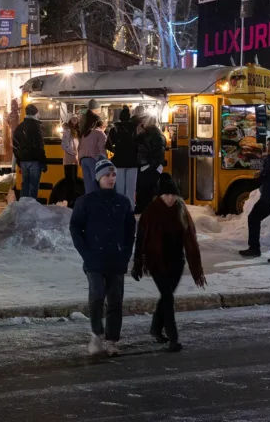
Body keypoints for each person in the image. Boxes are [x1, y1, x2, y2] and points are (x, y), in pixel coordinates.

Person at [132, 174, 206, 352]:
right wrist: (137, 263)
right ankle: (174, 338)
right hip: (156, 261)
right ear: (160, 195)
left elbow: (190, 238)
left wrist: (193, 261)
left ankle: (155, 329)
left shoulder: (181, 210)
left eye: (173, 195)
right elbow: (140, 239)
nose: (171, 198)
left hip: (176, 262)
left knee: (166, 297)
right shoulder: (150, 212)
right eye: (167, 195)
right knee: (168, 297)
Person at [69, 157, 136, 357]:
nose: (111, 178)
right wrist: (86, 252)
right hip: (95, 261)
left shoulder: (123, 202)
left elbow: (129, 230)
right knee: (97, 296)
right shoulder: (86, 202)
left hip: (116, 260)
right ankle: (96, 334)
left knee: (115, 301)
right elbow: (75, 228)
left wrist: (125, 253)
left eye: (114, 174)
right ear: (99, 177)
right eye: (107, 175)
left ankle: (112, 340)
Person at [13, 104, 47, 199]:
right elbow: (40, 145)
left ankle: (23, 205)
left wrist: (18, 159)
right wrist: (43, 161)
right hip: (35, 161)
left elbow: (15, 145)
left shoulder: (19, 127)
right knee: (33, 185)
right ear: (35, 113)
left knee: (25, 184)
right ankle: (31, 206)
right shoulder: (36, 127)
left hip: (23, 161)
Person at [107, 106, 139, 207]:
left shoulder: (114, 129)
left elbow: (108, 144)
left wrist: (115, 151)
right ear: (129, 117)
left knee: (120, 187)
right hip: (133, 161)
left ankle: (120, 206)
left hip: (119, 161)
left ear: (120, 118)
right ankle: (130, 207)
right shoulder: (135, 129)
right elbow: (140, 143)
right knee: (131, 187)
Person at [135, 116, 167, 212]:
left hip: (146, 165)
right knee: (153, 188)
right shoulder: (161, 135)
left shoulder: (144, 134)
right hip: (157, 166)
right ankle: (152, 208)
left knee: (143, 189)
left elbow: (136, 145)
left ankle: (142, 208)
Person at [78, 119, 108, 195]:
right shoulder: (100, 133)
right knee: (97, 182)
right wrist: (105, 161)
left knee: (88, 185)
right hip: (94, 160)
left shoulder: (86, 133)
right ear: (102, 126)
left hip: (83, 160)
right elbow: (102, 148)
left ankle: (89, 202)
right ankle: (97, 202)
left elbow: (79, 147)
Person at [61, 115, 80, 204]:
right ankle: (68, 199)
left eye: (76, 119)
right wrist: (73, 153)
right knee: (70, 181)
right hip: (69, 160)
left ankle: (72, 199)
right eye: (73, 119)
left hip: (75, 160)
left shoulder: (76, 132)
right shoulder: (67, 131)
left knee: (74, 180)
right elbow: (64, 145)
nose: (75, 121)